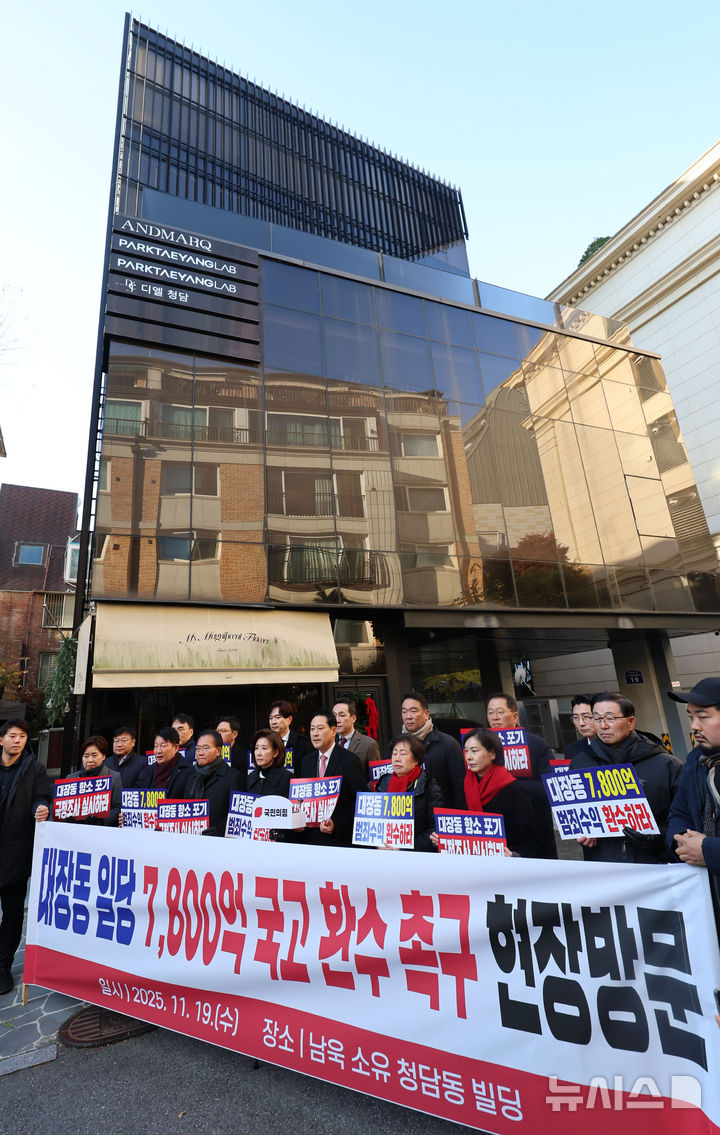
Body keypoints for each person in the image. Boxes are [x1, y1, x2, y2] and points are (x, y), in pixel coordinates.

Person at [569, 692, 681, 863]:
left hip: (655, 867)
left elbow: (686, 819)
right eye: (597, 719)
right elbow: (575, 813)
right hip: (604, 868)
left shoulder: (667, 765)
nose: (603, 726)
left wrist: (658, 836)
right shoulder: (580, 764)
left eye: (611, 718)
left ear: (631, 722)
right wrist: (582, 832)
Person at [0, 719, 51, 996]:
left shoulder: (35, 769)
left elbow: (42, 797)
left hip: (16, 854)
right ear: (2, 740)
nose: (17, 740)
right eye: (12, 735)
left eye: (22, 736)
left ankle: (3, 967)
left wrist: (42, 807)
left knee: (11, 915)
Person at [666, 678, 720, 899]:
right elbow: (679, 812)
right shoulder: (695, 760)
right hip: (708, 896)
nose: (694, 726)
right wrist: (681, 843)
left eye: (703, 717)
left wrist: (708, 851)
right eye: (691, 717)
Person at [485, 692, 557, 859]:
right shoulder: (479, 745)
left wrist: (511, 786)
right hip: (495, 828)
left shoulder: (536, 744)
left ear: (515, 716)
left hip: (534, 826)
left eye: (500, 712)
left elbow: (551, 785)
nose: (495, 717)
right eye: (490, 712)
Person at [459, 728, 543, 857]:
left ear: (492, 754)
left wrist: (516, 855)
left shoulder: (512, 789)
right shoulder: (465, 783)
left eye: (474, 751)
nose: (469, 757)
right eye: (466, 751)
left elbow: (532, 838)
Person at [300, 709, 366, 847]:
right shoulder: (306, 761)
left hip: (339, 840)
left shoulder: (349, 760)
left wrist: (337, 822)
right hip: (311, 840)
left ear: (333, 730)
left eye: (320, 728)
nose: (315, 733)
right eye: (312, 729)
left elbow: (361, 801)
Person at [390, 692, 465, 809]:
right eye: (404, 712)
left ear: (426, 714)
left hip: (441, 814)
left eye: (413, 711)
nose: (408, 716)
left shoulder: (448, 744)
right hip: (406, 816)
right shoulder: (394, 745)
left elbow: (459, 786)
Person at [374, 734, 443, 852]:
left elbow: (435, 829)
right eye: (394, 753)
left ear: (416, 759)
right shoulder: (383, 783)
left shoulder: (429, 785)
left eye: (403, 754)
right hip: (383, 853)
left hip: (415, 856)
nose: (397, 758)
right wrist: (376, 844)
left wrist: (403, 847)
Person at [187, 729, 239, 836]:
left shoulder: (233, 777)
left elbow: (236, 815)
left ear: (218, 751)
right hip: (192, 839)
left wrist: (219, 830)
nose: (200, 753)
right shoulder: (191, 776)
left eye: (206, 748)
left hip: (219, 841)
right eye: (198, 749)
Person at [66, 736, 122, 826]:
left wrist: (101, 820)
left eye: (94, 755)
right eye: (86, 756)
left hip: (100, 831)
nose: (90, 760)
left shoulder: (114, 777)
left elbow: (117, 808)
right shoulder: (71, 778)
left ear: (103, 756)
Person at [137, 727, 194, 798]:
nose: (158, 751)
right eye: (156, 746)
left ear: (176, 748)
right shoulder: (147, 771)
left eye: (163, 746)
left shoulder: (188, 772)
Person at [333, 699, 380, 778]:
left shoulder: (369, 744)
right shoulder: (329, 743)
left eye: (342, 715)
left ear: (353, 719)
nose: (337, 720)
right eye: (334, 716)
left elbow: (375, 778)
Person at [268, 700, 313, 771]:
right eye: (270, 718)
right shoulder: (266, 743)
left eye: (277, 717)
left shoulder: (304, 744)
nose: (273, 722)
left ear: (289, 720)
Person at [247, 729, 292, 798]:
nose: (258, 753)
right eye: (256, 748)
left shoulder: (287, 779)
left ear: (275, 752)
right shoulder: (251, 777)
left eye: (264, 748)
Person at [105, 725, 146, 789]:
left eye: (124, 741)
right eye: (116, 741)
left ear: (133, 742)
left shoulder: (143, 762)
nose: (119, 745)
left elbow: (141, 787)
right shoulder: (106, 762)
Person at [216, 715, 248, 788]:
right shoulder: (212, 753)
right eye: (217, 731)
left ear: (234, 734)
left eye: (223, 731)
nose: (218, 734)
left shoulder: (243, 757)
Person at [564, 696, 596, 760]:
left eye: (586, 717)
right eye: (576, 718)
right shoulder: (571, 751)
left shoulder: (617, 747)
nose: (581, 723)